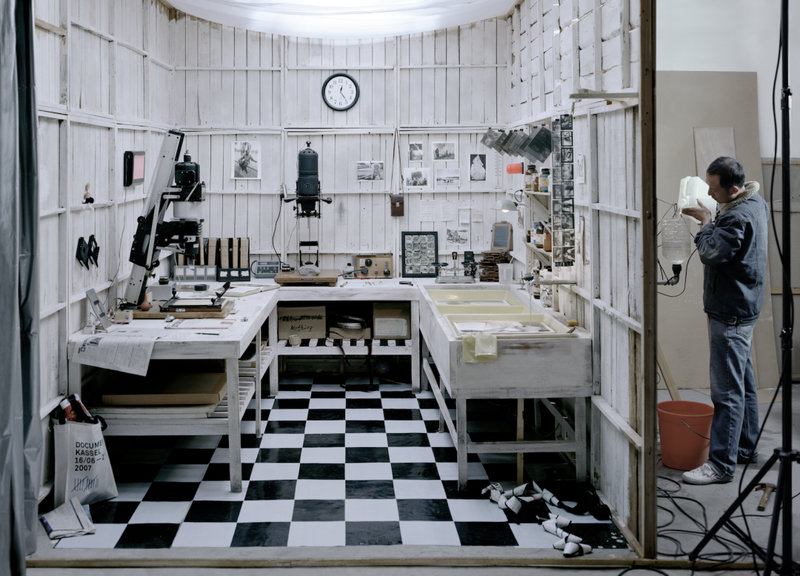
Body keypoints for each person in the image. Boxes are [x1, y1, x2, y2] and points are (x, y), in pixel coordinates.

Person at [680, 156, 769, 485]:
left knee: (726, 393)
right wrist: (714, 216)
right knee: (743, 384)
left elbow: (711, 253)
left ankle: (720, 465)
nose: (709, 194)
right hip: (745, 306)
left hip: (730, 312)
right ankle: (744, 448)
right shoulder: (755, 202)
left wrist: (706, 222)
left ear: (733, 189)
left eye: (714, 190)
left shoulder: (735, 217)